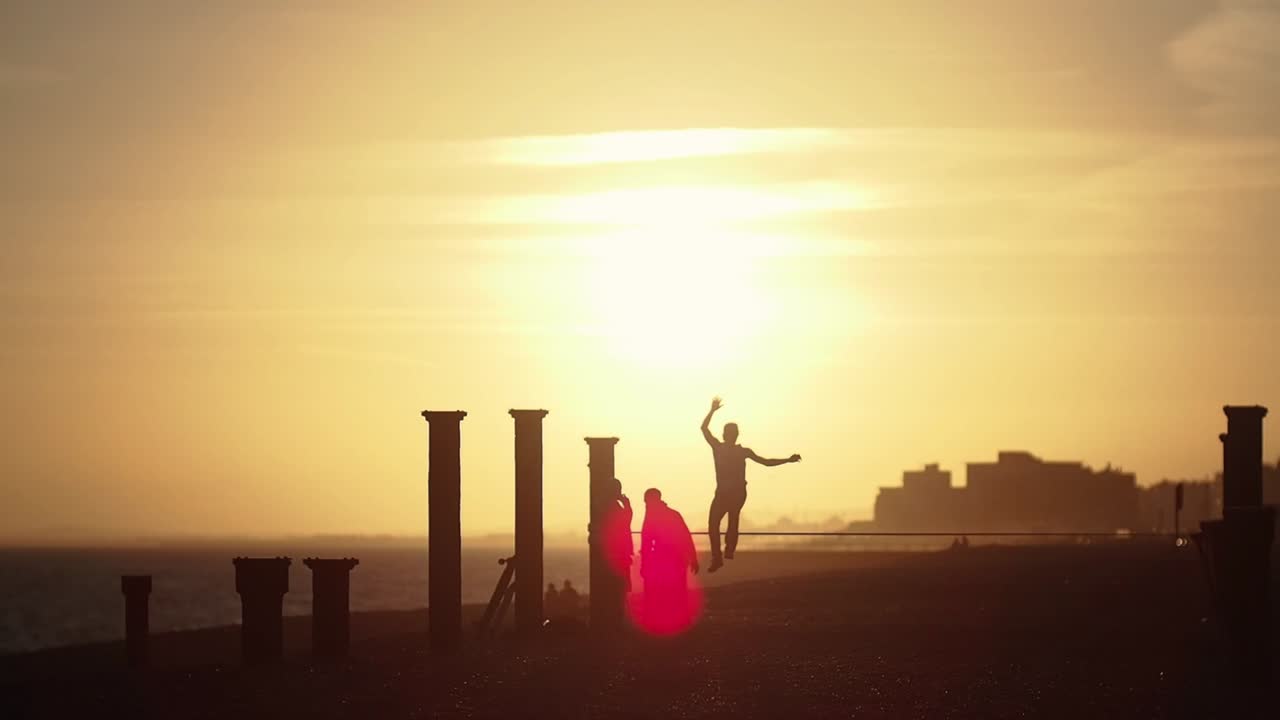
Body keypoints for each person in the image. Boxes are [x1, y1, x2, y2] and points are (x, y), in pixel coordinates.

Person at [701, 396, 801, 573]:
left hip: (732, 493)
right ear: (735, 435)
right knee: (726, 520)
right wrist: (787, 460)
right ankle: (724, 553)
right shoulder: (734, 450)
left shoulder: (725, 449)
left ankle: (721, 554)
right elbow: (766, 462)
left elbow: (704, 428)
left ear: (726, 435)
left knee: (722, 521)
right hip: (729, 493)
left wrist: (712, 411)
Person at [640, 488, 699, 633]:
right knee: (677, 592)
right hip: (677, 559)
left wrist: (645, 564)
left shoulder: (651, 517)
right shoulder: (674, 515)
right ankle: (679, 623)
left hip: (663, 559)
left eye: (646, 502)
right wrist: (693, 558)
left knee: (659, 593)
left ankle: (658, 623)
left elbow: (646, 542)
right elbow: (686, 537)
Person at [602, 478, 635, 591]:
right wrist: (627, 505)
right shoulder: (612, 506)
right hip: (619, 553)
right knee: (620, 588)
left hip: (615, 553)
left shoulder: (608, 505)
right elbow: (626, 521)